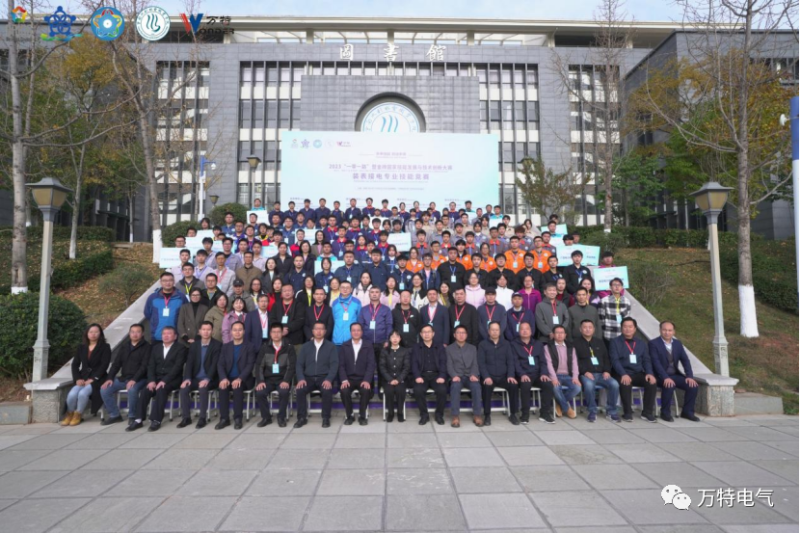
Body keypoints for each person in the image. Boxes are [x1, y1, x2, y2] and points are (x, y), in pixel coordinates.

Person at [128, 326, 187, 432]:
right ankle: (138, 419)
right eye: (164, 333)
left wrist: (164, 381)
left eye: (169, 333)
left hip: (173, 379)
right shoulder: (156, 348)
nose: (166, 336)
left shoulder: (180, 348)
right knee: (145, 391)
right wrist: (151, 380)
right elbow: (151, 366)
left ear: (175, 336)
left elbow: (177, 367)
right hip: (156, 378)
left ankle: (156, 420)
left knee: (161, 390)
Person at [648, 321, 700, 422]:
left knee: (692, 386)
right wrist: (665, 377)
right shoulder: (653, 343)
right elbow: (655, 363)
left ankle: (687, 412)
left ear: (673, 332)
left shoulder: (677, 343)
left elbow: (685, 360)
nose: (667, 332)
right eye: (664, 330)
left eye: (669, 330)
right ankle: (665, 413)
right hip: (659, 376)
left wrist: (689, 376)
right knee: (669, 385)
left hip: (674, 374)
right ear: (660, 330)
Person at [100, 324, 151, 427]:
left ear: (142, 333)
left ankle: (133, 416)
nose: (135, 334)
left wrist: (134, 379)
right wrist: (109, 378)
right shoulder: (125, 346)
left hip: (140, 379)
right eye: (132, 332)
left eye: (138, 332)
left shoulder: (147, 347)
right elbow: (116, 364)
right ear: (129, 333)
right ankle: (115, 415)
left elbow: (144, 366)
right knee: (104, 389)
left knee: (132, 389)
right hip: (124, 378)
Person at [62, 324, 111, 426]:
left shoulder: (105, 347)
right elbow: (75, 364)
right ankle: (69, 414)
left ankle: (78, 414)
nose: (93, 334)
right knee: (72, 394)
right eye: (91, 332)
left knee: (83, 393)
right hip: (83, 377)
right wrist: (77, 379)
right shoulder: (81, 347)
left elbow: (104, 365)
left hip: (98, 378)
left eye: (96, 332)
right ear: (87, 334)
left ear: (100, 334)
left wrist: (93, 379)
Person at [609, 317, 657, 423]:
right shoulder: (614, 342)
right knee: (625, 383)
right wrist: (623, 374)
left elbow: (646, 360)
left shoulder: (641, 343)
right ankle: (627, 413)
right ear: (621, 328)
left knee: (651, 382)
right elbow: (614, 360)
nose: (628, 329)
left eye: (630, 327)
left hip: (637, 372)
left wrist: (649, 373)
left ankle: (647, 413)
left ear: (635, 329)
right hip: (621, 373)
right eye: (625, 326)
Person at [294, 321, 339, 428]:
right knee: (300, 389)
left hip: (324, 377)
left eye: (321, 329)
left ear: (325, 331)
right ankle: (301, 418)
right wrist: (301, 378)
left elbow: (334, 365)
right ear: (313, 331)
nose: (319, 331)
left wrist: (329, 379)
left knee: (327, 390)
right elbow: (299, 365)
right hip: (308, 378)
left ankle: (326, 418)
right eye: (316, 329)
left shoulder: (331, 346)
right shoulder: (305, 347)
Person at [177, 321, 221, 429]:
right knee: (184, 389)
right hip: (195, 378)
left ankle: (202, 418)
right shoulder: (194, 345)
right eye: (203, 329)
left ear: (212, 331)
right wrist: (187, 378)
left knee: (203, 389)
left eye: (208, 329)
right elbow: (189, 363)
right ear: (199, 331)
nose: (206, 332)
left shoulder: (217, 345)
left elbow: (215, 365)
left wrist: (207, 379)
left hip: (211, 379)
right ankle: (186, 418)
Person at [575, 320, 621, 423]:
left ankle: (611, 411)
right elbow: (575, 361)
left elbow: (606, 358)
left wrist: (607, 371)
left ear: (594, 329)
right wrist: (584, 372)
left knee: (614, 384)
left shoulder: (599, 342)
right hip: (586, 374)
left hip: (601, 373)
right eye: (585, 327)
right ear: (580, 329)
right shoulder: (575, 343)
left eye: (590, 327)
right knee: (589, 385)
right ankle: (592, 411)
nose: (587, 329)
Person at [512, 322, 556, 424]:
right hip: (523, 374)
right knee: (525, 385)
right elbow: (515, 362)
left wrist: (544, 373)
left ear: (531, 331)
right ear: (519, 331)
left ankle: (544, 413)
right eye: (522, 329)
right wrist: (522, 374)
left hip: (537, 374)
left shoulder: (538, 344)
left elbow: (543, 361)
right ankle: (525, 414)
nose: (525, 331)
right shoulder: (514, 344)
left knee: (548, 385)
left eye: (527, 329)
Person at [216, 321, 257, 430]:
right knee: (222, 387)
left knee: (237, 387)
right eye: (235, 330)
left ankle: (238, 418)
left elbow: (250, 365)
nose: (237, 332)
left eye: (240, 330)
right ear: (231, 332)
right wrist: (223, 378)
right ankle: (224, 419)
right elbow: (220, 364)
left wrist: (240, 378)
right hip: (228, 378)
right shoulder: (226, 347)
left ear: (244, 331)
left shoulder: (250, 346)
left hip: (244, 379)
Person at [478, 322, 520, 425]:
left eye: (497, 330)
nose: (495, 332)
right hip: (489, 376)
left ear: (500, 331)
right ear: (488, 331)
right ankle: (487, 415)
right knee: (486, 387)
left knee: (513, 385)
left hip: (503, 376)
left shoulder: (506, 344)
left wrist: (510, 375)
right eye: (492, 330)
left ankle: (513, 414)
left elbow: (510, 361)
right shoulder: (482, 344)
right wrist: (486, 377)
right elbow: (481, 363)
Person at [254, 323, 296, 427]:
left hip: (282, 379)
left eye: (278, 332)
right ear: (270, 333)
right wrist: (260, 381)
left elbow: (291, 366)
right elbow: (259, 366)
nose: (276, 334)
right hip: (268, 379)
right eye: (274, 332)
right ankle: (266, 417)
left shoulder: (289, 347)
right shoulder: (265, 347)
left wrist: (286, 381)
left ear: (282, 333)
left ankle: (281, 417)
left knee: (283, 392)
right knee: (260, 392)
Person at [446, 325, 484, 428]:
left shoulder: (472, 348)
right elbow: (449, 365)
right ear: (454, 335)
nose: (461, 335)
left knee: (476, 386)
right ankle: (455, 416)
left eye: (463, 333)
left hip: (469, 376)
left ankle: (477, 415)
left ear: (466, 335)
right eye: (458, 333)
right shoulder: (449, 349)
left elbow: (475, 364)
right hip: (457, 376)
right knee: (455, 387)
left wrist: (474, 374)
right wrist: (454, 375)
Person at [411, 325, 448, 425]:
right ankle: (424, 415)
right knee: (418, 390)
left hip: (436, 375)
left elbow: (443, 362)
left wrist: (442, 376)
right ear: (420, 334)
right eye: (424, 332)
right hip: (422, 375)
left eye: (429, 332)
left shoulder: (440, 347)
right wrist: (417, 376)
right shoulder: (416, 347)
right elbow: (414, 363)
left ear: (433, 333)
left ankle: (439, 415)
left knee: (442, 390)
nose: (426, 334)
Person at [338, 323, 375, 425]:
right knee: (344, 391)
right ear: (350, 332)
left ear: (362, 332)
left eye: (358, 330)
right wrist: (344, 380)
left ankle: (362, 416)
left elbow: (371, 365)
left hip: (363, 378)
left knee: (366, 390)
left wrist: (367, 380)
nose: (356, 332)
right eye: (353, 330)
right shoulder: (345, 346)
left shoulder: (368, 345)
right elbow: (341, 365)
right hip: (349, 378)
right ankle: (349, 415)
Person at [542, 325, 581, 419]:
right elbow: (549, 364)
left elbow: (575, 363)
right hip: (555, 375)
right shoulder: (547, 347)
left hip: (568, 375)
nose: (560, 335)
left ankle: (559, 404)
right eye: (557, 333)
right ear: (553, 334)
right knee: (556, 388)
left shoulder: (571, 347)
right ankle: (567, 408)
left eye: (562, 333)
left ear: (565, 335)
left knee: (577, 388)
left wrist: (575, 377)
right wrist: (553, 378)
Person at [358, 287, 392, 388]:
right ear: (369, 294)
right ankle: (369, 390)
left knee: (382, 367)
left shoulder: (386, 309)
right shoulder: (363, 309)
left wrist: (387, 340)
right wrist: (362, 341)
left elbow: (389, 325)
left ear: (380, 294)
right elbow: (360, 326)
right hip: (367, 343)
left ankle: (381, 389)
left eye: (377, 292)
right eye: (372, 292)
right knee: (368, 367)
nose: (374, 294)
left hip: (382, 343)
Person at [379, 330, 410, 422]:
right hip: (387, 379)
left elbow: (406, 367)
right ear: (389, 339)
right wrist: (390, 379)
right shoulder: (384, 351)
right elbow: (382, 367)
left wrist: (399, 379)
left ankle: (400, 412)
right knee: (389, 390)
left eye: (397, 336)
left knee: (400, 390)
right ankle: (391, 413)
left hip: (401, 379)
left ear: (400, 338)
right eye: (393, 337)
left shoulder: (405, 351)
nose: (395, 339)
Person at [144, 272, 185, 342]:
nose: (168, 283)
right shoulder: (153, 297)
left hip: (175, 336)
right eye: (165, 281)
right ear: (160, 282)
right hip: (157, 335)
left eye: (170, 280)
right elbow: (147, 313)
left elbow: (185, 314)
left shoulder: (181, 297)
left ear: (174, 281)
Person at [598, 278, 632, 342]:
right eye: (614, 285)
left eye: (619, 285)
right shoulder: (604, 301)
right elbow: (601, 319)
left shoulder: (627, 301)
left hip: (622, 334)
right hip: (608, 334)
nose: (617, 287)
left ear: (622, 287)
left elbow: (627, 318)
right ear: (610, 287)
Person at [331, 281, 361, 345]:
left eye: (347, 287)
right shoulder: (335, 303)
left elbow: (359, 319)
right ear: (339, 288)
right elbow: (334, 319)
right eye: (343, 287)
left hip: (352, 339)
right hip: (337, 338)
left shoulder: (357, 302)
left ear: (351, 289)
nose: (345, 289)